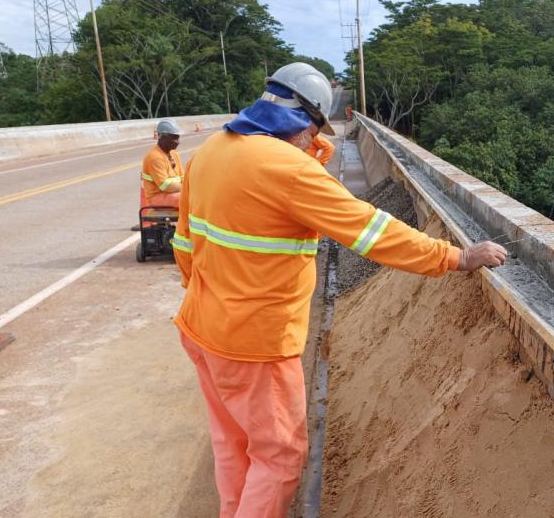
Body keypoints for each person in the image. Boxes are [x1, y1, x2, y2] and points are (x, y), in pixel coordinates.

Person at [171, 62, 506, 517]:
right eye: (316, 130)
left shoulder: (212, 149)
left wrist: (209, 297)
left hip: (200, 327)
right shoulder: (287, 169)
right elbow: (371, 231)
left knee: (233, 445)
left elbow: (184, 244)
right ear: (307, 119)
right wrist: (455, 258)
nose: (316, 139)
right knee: (280, 458)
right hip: (255, 345)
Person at [141, 120, 183, 207]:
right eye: (174, 138)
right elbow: (166, 186)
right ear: (163, 138)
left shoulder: (174, 154)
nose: (178, 142)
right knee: (191, 198)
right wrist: (187, 189)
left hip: (172, 194)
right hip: (157, 198)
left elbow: (183, 177)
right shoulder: (154, 157)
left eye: (178, 138)